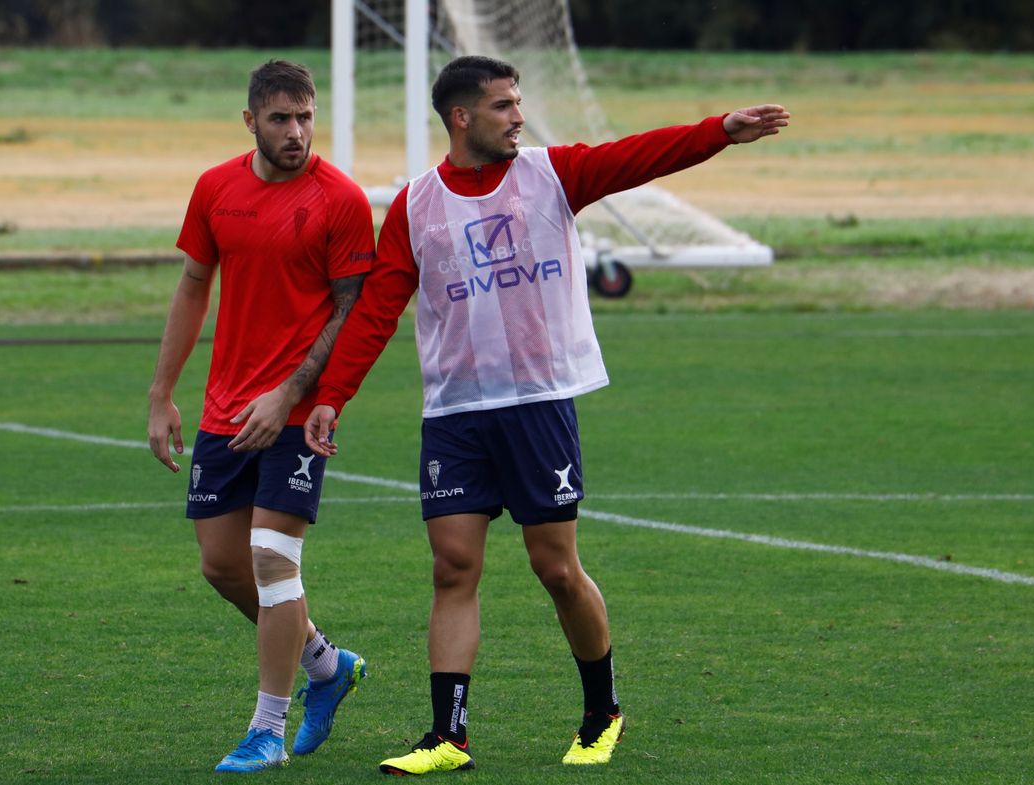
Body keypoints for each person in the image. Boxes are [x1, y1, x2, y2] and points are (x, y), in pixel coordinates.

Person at [303, 55, 790, 775]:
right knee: (452, 568)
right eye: (503, 105)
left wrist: (717, 131)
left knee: (555, 566)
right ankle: (448, 735)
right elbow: (377, 311)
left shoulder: (550, 176)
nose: (519, 116)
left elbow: (634, 157)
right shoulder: (415, 207)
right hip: (456, 413)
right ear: (463, 116)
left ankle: (603, 711)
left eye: (518, 102)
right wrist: (331, 396)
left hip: (537, 406)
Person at [145, 59, 374, 773]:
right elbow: (192, 285)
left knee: (274, 563)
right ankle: (327, 665)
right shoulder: (216, 188)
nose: (297, 132)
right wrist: (161, 392)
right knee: (221, 565)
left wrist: (294, 394)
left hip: (300, 414)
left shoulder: (340, 198)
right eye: (280, 119)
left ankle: (266, 730)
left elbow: (351, 308)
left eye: (306, 117)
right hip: (225, 409)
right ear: (250, 121)